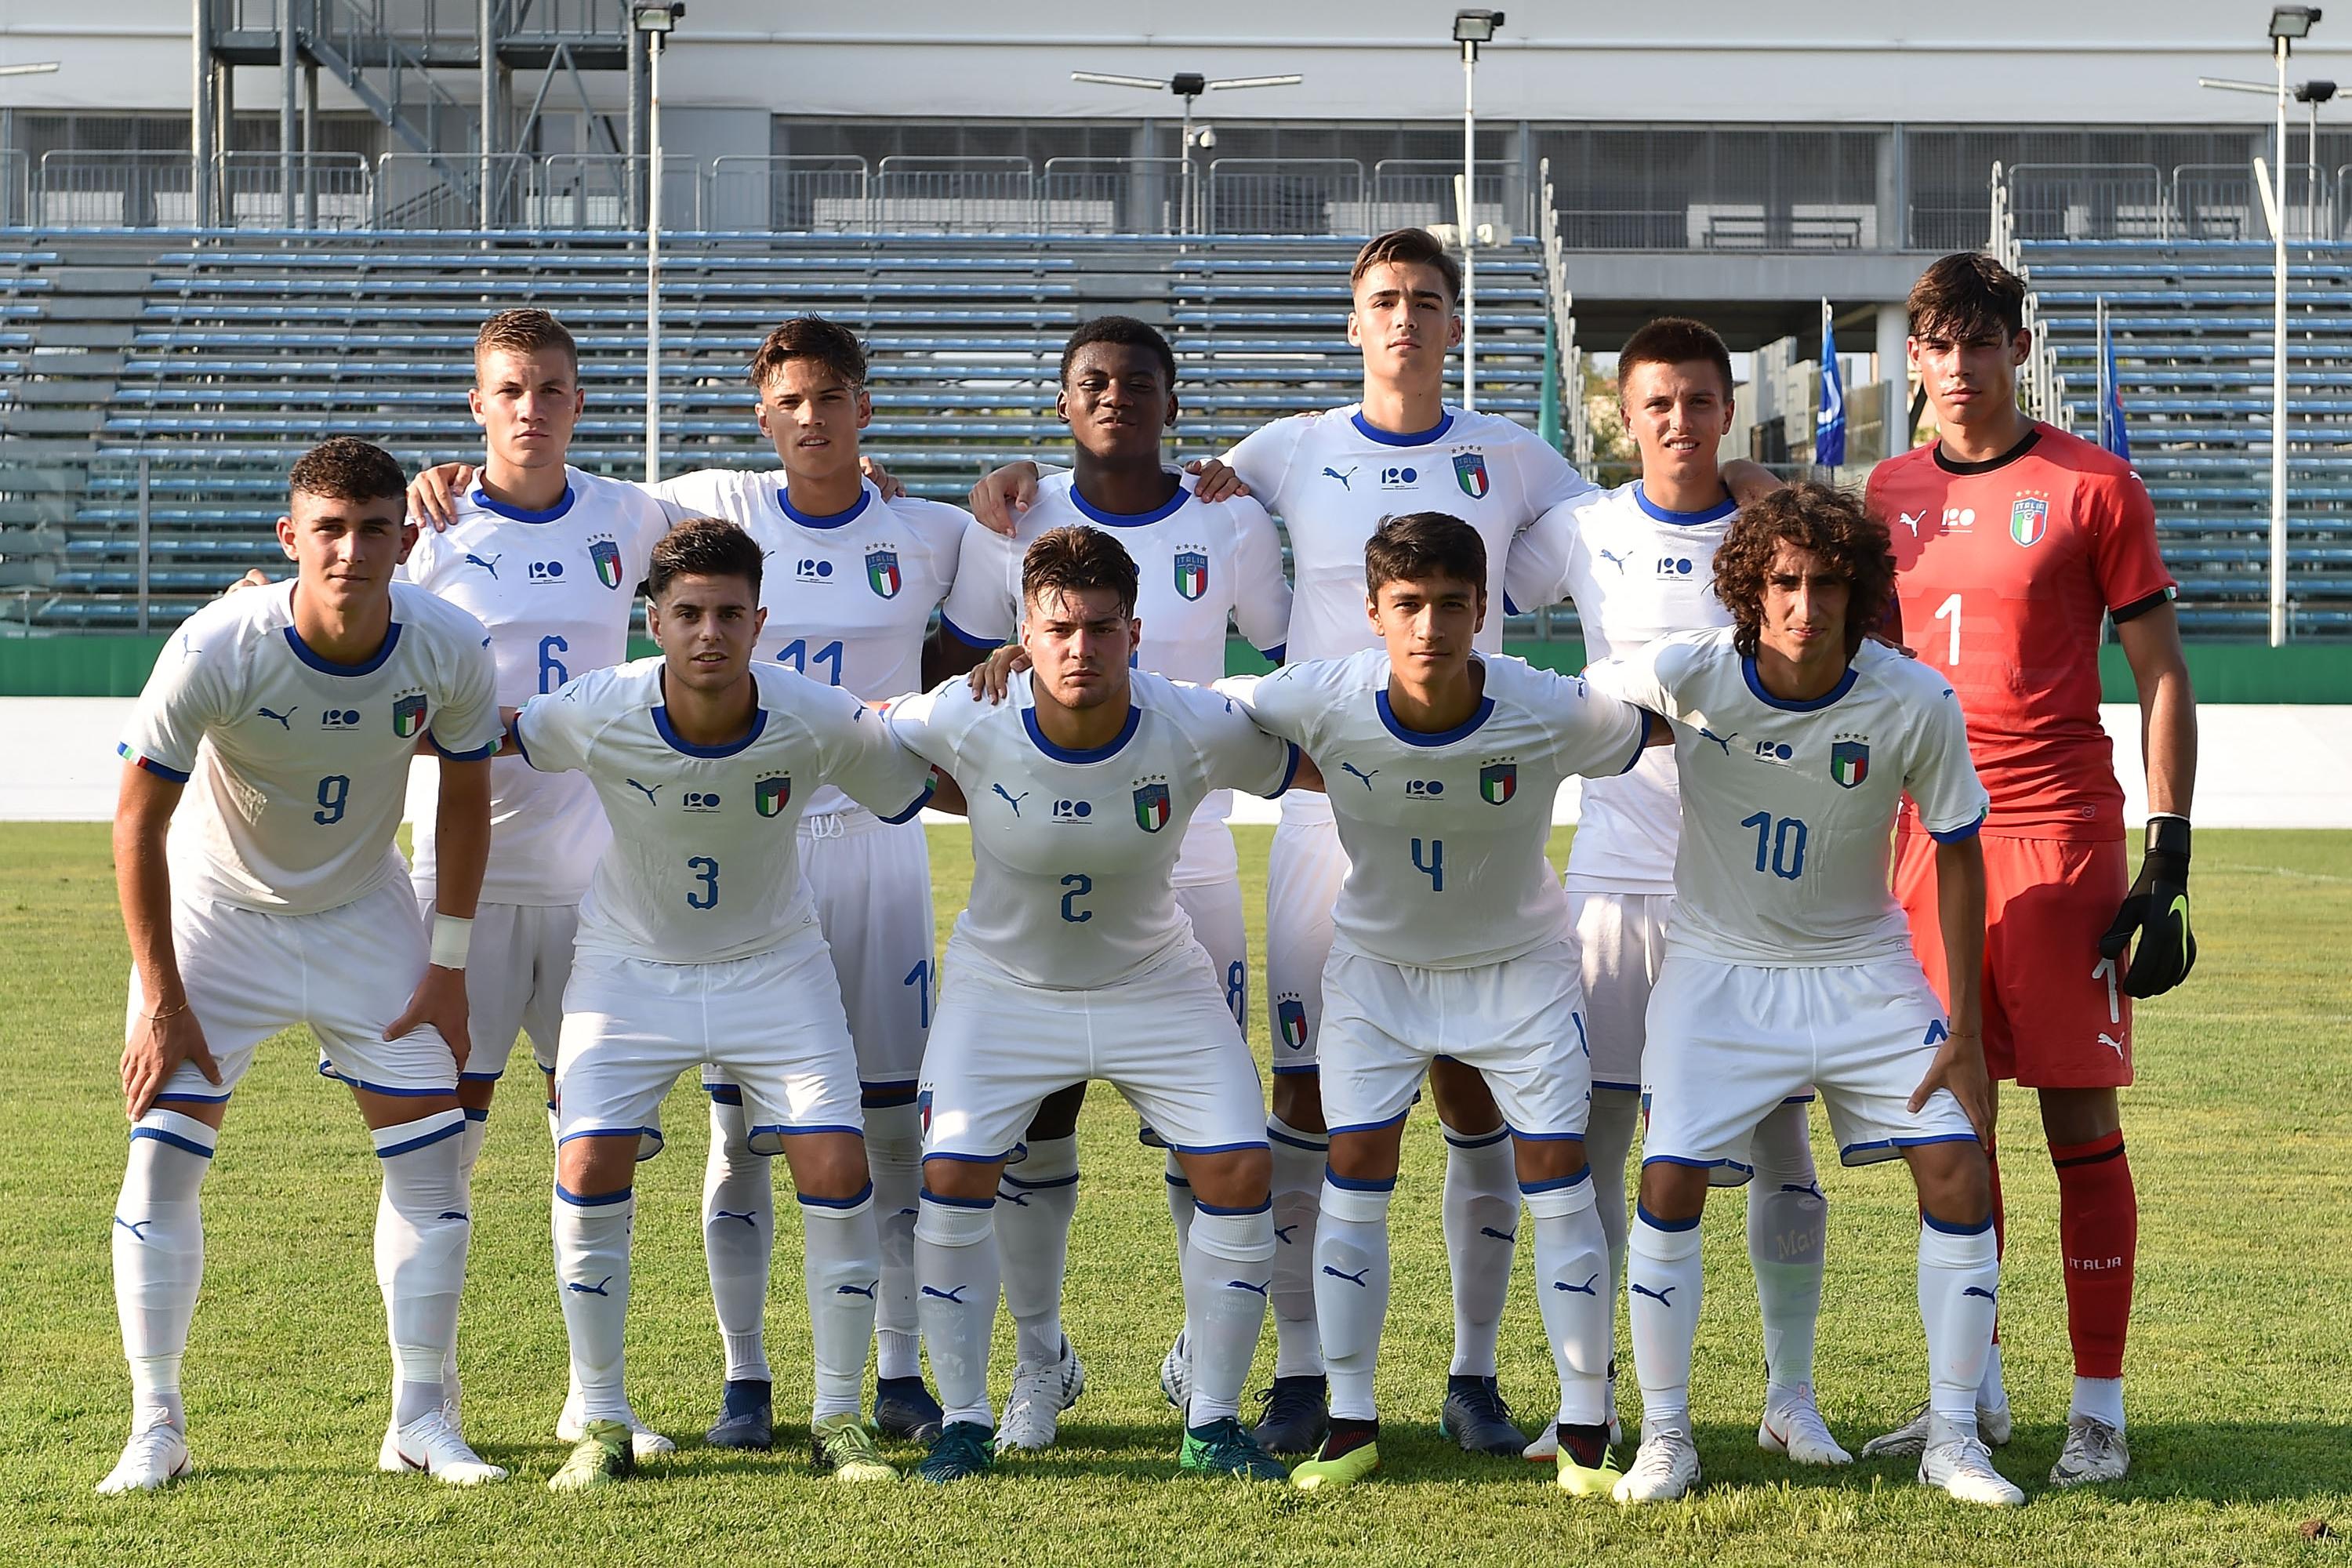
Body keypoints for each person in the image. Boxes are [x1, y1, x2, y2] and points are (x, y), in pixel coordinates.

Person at [970, 228, 1781, 1457]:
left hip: (1478, 815)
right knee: (1306, 1098)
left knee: (1477, 1099)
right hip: (1325, 813)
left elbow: (1642, 521)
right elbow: (1146, 488)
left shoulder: (1516, 460)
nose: (1405, 319)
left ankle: (1472, 1375)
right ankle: (1304, 1376)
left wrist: (1759, 491)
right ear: (1354, 324)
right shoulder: (1285, 452)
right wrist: (1010, 489)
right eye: (1384, 301)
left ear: (1457, 323)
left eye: (1427, 302)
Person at [410, 316, 967, 1447]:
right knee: (706, 1139)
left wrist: (1006, 486)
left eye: (834, 399)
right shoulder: (661, 508)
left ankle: (890, 1379)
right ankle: (728, 1383)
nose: (813, 421)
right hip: (650, 862)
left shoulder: (931, 529)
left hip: (837, 845)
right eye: (792, 404)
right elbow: (485, 543)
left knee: (878, 1132)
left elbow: (1014, 590)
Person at [1586, 483, 2021, 1508]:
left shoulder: (1913, 697)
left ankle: (1955, 1440)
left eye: (1828, 582)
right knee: (1668, 1183)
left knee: (1957, 1174)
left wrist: (1962, 1027)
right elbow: (1567, 706)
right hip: (1718, 971)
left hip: (1863, 968)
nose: (1805, 604)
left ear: (1860, 590)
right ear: (1751, 588)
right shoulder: (1690, 671)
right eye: (1785, 582)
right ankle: (1668, 1438)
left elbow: (1961, 855)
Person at [102, 437, 503, 1492]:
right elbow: (138, 825)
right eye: (329, 529)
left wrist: (450, 963)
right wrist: (162, 998)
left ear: (406, 541)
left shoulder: (451, 644)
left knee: (431, 1161)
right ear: (291, 539)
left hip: (363, 910)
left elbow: (465, 801)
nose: (351, 550)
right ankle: (158, 1427)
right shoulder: (217, 645)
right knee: (161, 1160)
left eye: (375, 529)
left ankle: (421, 1421)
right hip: (216, 917)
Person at [506, 519, 940, 1491]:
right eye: (689, 612)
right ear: (652, 618)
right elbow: (494, 730)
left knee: (835, 1161)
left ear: (760, 620)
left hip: (775, 966)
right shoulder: (598, 707)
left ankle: (837, 1417)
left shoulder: (815, 714)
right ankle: (604, 1420)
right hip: (627, 969)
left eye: (731, 613)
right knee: (585, 1157)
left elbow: (910, 783)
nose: (710, 632)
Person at [1222, 513, 1649, 1496]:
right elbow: (1198, 710)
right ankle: (1351, 1418)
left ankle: (1585, 1427)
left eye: (1452, 604)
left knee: (1557, 1175)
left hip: (1521, 970)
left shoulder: (1546, 706)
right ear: (1370, 611)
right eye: (1407, 605)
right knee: (1355, 1169)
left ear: (1483, 610)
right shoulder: (1319, 694)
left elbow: (1653, 724)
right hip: (1378, 972)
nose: (1429, 627)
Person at [1860, 252, 2198, 1486]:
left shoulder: (2095, 486)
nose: (1960, 368)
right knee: (1953, 1124)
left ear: (2017, 349)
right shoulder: (1884, 489)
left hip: (2057, 840)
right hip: (1923, 844)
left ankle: (2097, 1408)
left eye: (1981, 343)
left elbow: (2162, 672)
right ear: (1915, 360)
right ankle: (1978, 1390)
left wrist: (2168, 852)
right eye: (1938, 346)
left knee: (2080, 1126)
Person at [932, 314, 1291, 1449]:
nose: (1117, 397)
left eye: (1140, 381)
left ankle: (1204, 1359)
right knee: (1033, 1130)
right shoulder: (1014, 514)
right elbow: (947, 677)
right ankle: (1038, 1367)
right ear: (1061, 400)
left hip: (1185, 863)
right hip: (1039, 868)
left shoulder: (1227, 517)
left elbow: (1290, 663)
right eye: (1093, 381)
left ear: (1172, 400)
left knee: (1205, 1145)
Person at [884, 525, 1305, 1485]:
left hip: (1153, 979)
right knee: (949, 1179)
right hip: (1005, 986)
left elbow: (1316, 759)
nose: (1080, 649)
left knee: (1241, 1170)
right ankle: (966, 1418)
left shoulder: (1196, 720)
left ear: (1137, 632)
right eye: (1057, 629)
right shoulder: (967, 711)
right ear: (1023, 634)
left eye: (1101, 629)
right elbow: (862, 729)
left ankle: (1213, 1420)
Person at [1503, 317, 1843, 1467]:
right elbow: (1455, 563)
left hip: (1749, 889)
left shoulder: (1773, 529)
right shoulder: (1579, 530)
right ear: (1622, 414)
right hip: (1613, 883)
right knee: (1597, 1138)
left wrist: (1778, 490)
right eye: (1657, 405)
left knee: (1780, 1138)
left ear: (1728, 410)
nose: (1679, 424)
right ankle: (1588, 1397)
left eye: (1700, 402)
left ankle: (1789, 1394)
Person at [389, 307, 674, 1459]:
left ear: (579, 402)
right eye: (509, 390)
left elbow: (760, 521)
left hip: (598, 891)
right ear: (477, 404)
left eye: (551, 388)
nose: (531, 408)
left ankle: (594, 1399)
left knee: (593, 1140)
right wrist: (487, 734)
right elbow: (382, 711)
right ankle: (422, 1411)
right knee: (435, 1149)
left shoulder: (630, 513)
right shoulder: (429, 532)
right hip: (459, 885)